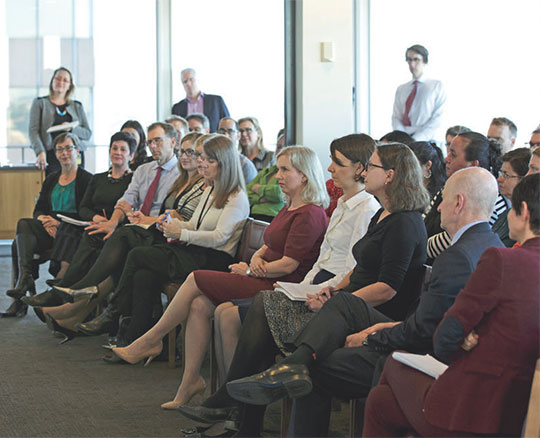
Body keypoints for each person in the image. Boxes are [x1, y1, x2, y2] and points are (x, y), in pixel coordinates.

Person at [180, 143, 430, 436]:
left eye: (370, 167)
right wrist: (333, 290)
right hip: (344, 303)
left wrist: (337, 300)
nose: (365, 171)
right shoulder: (384, 215)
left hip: (368, 316)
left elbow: (387, 289)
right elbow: (357, 269)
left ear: (389, 175)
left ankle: (233, 407)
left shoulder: (403, 222)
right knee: (264, 308)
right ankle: (238, 409)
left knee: (263, 310)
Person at [112, 146, 330, 410]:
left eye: (285, 170)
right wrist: (255, 259)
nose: (277, 176)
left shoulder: (310, 213)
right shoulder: (289, 207)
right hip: (262, 275)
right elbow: (267, 244)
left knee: (195, 277)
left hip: (279, 287)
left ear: (304, 175)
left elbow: (289, 265)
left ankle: (152, 339)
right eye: (278, 169)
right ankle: (189, 383)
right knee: (198, 305)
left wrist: (250, 269)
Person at [363, 173, 539, 438]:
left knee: (392, 364)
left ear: (523, 211)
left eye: (511, 206)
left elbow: (445, 337)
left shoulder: (505, 260)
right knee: (381, 401)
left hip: (476, 407)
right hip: (521, 408)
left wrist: (468, 336)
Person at [209, 134, 379, 390]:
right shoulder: (343, 204)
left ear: (359, 168)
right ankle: (234, 400)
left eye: (337, 162)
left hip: (330, 298)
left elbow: (350, 270)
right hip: (315, 287)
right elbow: (322, 262)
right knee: (241, 310)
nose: (330, 168)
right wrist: (302, 286)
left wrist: (312, 291)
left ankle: (232, 401)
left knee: (254, 308)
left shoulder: (366, 210)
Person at [23, 132, 204, 335]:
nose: (187, 157)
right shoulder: (153, 173)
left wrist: (146, 220)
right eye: (185, 152)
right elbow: (125, 200)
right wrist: (112, 221)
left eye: (193, 153)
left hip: (161, 235)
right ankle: (77, 305)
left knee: (123, 245)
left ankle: (78, 299)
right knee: (96, 234)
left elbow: (180, 219)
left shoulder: (183, 178)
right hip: (142, 228)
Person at [76, 135, 249, 347]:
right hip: (198, 250)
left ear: (225, 164)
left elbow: (219, 237)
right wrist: (169, 225)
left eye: (209, 160)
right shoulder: (212, 188)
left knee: (138, 254)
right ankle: (135, 340)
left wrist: (180, 234)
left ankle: (114, 312)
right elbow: (194, 224)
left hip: (215, 260)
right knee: (143, 273)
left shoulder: (236, 196)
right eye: (203, 158)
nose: (202, 163)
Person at [0, 132, 133, 318]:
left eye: (68, 148)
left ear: (77, 151)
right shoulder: (52, 178)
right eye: (60, 149)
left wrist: (59, 222)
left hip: (72, 227)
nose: (64, 153)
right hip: (50, 228)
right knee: (23, 226)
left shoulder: (86, 178)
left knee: (63, 232)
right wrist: (44, 220)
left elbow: (83, 210)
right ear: (55, 153)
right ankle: (24, 280)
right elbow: (38, 209)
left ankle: (51, 287)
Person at [425, 131, 505, 260]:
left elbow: (453, 239)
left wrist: (414, 247)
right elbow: (426, 219)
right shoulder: (445, 189)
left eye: (453, 154)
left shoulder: (491, 198)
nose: (447, 158)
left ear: (473, 164)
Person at [29, 67, 91, 175]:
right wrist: (40, 152)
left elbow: (87, 133)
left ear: (69, 85)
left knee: (78, 189)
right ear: (52, 81)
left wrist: (72, 128)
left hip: (75, 155)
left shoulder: (77, 106)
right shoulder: (40, 103)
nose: (60, 82)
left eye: (65, 80)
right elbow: (33, 131)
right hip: (51, 155)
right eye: (58, 79)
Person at [391, 44, 446, 141]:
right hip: (404, 141)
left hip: (426, 140)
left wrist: (416, 139)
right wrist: (402, 138)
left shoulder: (436, 86)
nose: (412, 64)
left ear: (424, 61)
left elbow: (437, 119)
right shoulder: (401, 89)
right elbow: (396, 117)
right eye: (409, 60)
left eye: (416, 60)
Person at [245, 130, 288, 222]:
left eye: (284, 148)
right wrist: (262, 198)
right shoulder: (267, 171)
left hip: (273, 218)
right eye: (278, 147)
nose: (279, 151)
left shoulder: (289, 174)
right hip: (252, 215)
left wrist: (258, 189)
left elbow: (279, 194)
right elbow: (246, 193)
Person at [492, 148, 531, 246]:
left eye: (506, 175)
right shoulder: (506, 213)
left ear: (523, 179)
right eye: (501, 173)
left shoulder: (527, 223)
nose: (499, 179)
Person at [171, 68, 230, 133]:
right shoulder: (177, 108)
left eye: (191, 79)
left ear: (197, 80)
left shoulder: (216, 101)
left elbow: (227, 123)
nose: (188, 84)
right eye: (185, 81)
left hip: (213, 141)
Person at [217, 117, 257, 183]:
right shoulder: (210, 160)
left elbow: (250, 192)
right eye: (221, 131)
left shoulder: (245, 165)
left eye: (230, 131)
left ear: (238, 136)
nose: (225, 135)